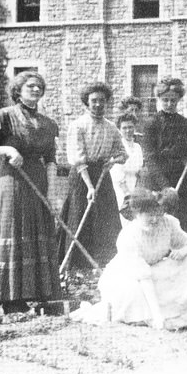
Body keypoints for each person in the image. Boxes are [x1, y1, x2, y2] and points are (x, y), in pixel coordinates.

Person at [0, 71, 63, 313]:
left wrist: (52, 192)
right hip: (12, 182)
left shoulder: (48, 124)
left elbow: (50, 161)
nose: (35, 90)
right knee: (15, 232)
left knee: (38, 232)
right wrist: (7, 150)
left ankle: (38, 293)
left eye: (39, 86)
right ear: (18, 89)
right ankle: (12, 299)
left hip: (38, 181)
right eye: (30, 86)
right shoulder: (4, 117)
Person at [75, 188, 187, 329]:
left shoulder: (167, 223)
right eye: (149, 215)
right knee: (134, 291)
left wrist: (183, 252)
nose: (155, 219)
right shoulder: (128, 236)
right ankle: (156, 315)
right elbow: (144, 277)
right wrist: (157, 316)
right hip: (130, 276)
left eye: (157, 214)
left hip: (155, 270)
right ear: (137, 213)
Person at [58, 82, 129, 268]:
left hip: (103, 175)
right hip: (82, 177)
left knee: (106, 217)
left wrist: (112, 161)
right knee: (80, 213)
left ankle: (106, 261)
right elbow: (78, 159)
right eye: (94, 101)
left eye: (102, 101)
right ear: (87, 103)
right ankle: (76, 264)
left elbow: (123, 153)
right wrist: (89, 186)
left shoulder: (111, 127)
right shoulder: (78, 125)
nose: (98, 104)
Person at [141, 78, 187, 232]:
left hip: (178, 177)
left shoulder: (183, 122)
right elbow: (150, 158)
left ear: (178, 100)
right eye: (165, 100)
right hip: (155, 178)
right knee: (156, 221)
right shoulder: (150, 123)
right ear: (159, 99)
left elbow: (181, 148)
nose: (169, 104)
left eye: (173, 100)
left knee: (182, 222)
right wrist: (165, 187)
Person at [110, 113, 144, 225]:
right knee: (125, 218)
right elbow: (117, 173)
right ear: (119, 130)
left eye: (130, 127)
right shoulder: (118, 147)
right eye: (124, 128)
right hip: (122, 189)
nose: (128, 130)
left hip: (135, 185)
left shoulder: (138, 147)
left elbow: (140, 168)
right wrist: (127, 194)